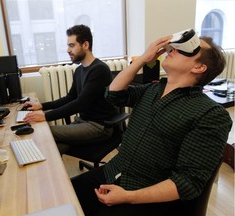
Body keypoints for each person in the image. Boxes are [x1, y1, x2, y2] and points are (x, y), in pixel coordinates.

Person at [71, 35, 233, 216]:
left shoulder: (210, 115)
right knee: (64, 196)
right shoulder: (152, 90)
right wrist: (142, 59)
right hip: (114, 171)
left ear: (199, 67)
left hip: (146, 193)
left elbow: (188, 182)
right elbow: (113, 94)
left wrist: (128, 197)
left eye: (186, 50)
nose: (174, 49)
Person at [23, 24, 116, 153]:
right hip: (82, 122)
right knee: (54, 147)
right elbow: (70, 98)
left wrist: (45, 116)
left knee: (45, 132)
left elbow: (80, 103)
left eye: (71, 45)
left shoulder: (99, 69)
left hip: (99, 126)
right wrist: (41, 106)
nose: (67, 50)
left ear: (85, 45)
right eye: (68, 45)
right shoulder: (79, 71)